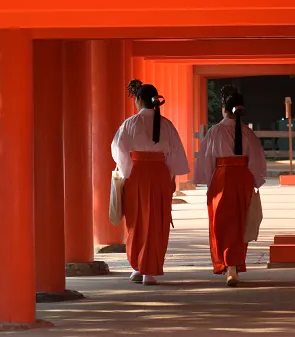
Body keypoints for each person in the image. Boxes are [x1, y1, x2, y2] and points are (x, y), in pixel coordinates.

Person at [112, 80, 189, 286]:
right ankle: (148, 270)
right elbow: (174, 155)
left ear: (138, 100)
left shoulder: (130, 123)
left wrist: (128, 172)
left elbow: (119, 151)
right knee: (157, 221)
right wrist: (170, 177)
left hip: (137, 174)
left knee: (136, 220)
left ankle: (138, 266)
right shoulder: (166, 124)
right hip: (160, 174)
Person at [194, 85, 266, 287]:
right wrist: (253, 180)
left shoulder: (215, 131)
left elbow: (206, 159)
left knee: (221, 223)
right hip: (242, 178)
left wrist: (209, 181)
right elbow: (258, 160)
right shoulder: (247, 133)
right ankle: (234, 266)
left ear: (224, 109)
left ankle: (227, 264)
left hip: (221, 177)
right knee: (239, 222)